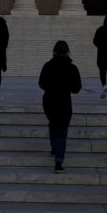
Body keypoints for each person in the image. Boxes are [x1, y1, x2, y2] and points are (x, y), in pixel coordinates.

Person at [39, 40, 82, 173]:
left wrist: (51, 88)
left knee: (53, 123)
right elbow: (76, 88)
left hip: (49, 100)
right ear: (67, 52)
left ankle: (54, 147)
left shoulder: (48, 65)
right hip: (64, 101)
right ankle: (58, 161)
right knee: (62, 131)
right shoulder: (72, 68)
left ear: (54, 51)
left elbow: (41, 84)